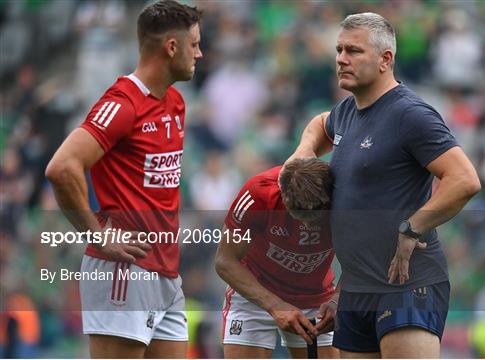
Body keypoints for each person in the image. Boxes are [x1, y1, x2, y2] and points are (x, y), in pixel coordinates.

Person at [285, 13, 481, 358]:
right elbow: (319, 124)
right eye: (339, 49)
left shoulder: (410, 114)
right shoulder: (347, 111)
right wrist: (303, 153)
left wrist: (413, 228)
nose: (341, 59)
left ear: (385, 59)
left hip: (406, 284)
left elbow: (464, 179)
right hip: (356, 290)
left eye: (354, 51)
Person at [45, 1, 202, 358]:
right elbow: (62, 167)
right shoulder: (123, 103)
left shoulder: (174, 102)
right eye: (194, 44)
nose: (200, 53)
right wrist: (97, 236)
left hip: (165, 271)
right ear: (171, 47)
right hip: (124, 269)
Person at [215, 158, 340, 358]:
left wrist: (338, 299)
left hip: (316, 299)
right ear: (283, 195)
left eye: (315, 218)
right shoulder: (258, 193)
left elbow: (362, 259)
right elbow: (225, 262)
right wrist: (274, 305)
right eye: (298, 216)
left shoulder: (348, 198)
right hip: (254, 294)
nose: (306, 228)